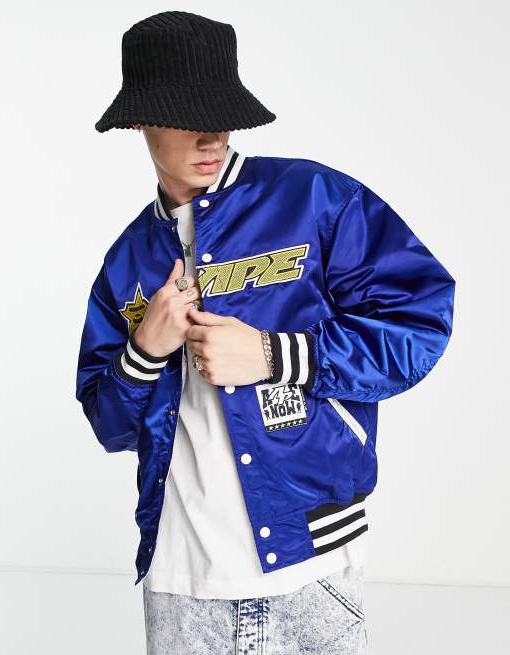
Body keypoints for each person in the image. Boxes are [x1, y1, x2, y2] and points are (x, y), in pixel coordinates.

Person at [76, 10, 456, 654]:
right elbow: (108, 424)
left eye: (222, 113)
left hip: (310, 565)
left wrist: (274, 354)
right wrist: (145, 351)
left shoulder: (313, 199)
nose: (212, 134)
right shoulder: (127, 260)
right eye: (187, 116)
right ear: (140, 121)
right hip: (179, 580)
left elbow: (419, 323)